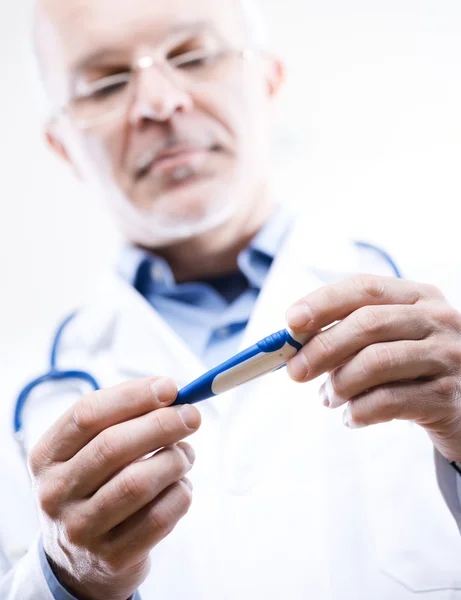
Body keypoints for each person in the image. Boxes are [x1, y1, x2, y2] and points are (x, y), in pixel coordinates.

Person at [2, 0, 461, 598]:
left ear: (268, 80)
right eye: (107, 81)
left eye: (193, 55)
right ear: (62, 143)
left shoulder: (443, 299)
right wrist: (66, 578)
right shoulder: (20, 386)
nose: (159, 103)